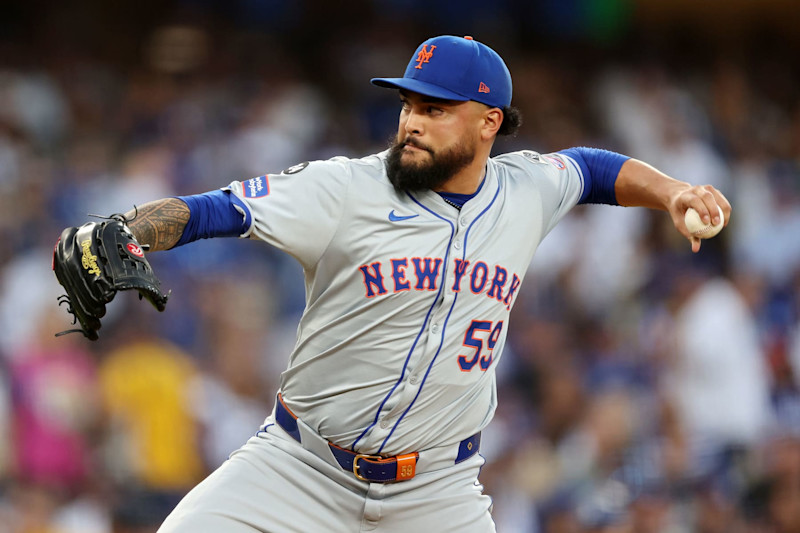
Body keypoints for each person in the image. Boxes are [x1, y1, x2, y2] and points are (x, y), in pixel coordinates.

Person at [97, 35, 731, 532]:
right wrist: (121, 233)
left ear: (489, 122)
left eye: (434, 108)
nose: (411, 122)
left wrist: (672, 192)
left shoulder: (525, 189)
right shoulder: (345, 187)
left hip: (436, 493)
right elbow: (220, 210)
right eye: (407, 104)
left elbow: (593, 169)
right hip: (300, 467)